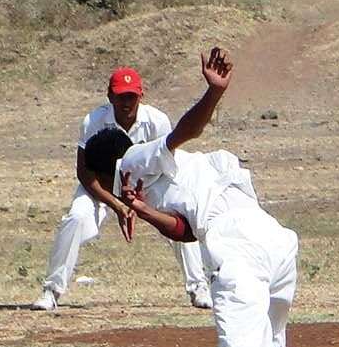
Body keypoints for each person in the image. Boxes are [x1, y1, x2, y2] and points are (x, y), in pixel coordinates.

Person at [116, 47, 301, 347]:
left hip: (240, 245)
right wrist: (143, 210)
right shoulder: (170, 184)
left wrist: (212, 93)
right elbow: (186, 230)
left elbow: (185, 131)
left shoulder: (137, 158)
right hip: (275, 244)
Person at [33, 67, 208, 312]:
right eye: (120, 96)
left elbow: (164, 166)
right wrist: (117, 205)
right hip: (102, 185)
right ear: (110, 96)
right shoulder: (94, 121)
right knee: (75, 218)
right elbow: (84, 172)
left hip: (147, 184)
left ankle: (198, 286)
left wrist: (139, 203)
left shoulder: (157, 121)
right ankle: (51, 290)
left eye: (131, 96)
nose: (126, 102)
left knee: (177, 217)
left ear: (141, 96)